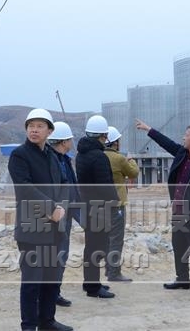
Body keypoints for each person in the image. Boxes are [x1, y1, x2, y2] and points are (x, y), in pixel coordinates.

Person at [135, 118, 190, 300]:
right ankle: (182, 279)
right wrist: (149, 129)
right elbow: (166, 143)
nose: (183, 138)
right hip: (178, 210)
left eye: (186, 135)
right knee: (179, 246)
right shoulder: (182, 153)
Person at [8, 109, 73, 331]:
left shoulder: (52, 156)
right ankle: (29, 326)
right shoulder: (19, 155)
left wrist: (61, 207)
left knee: (52, 278)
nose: (34, 130)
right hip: (32, 228)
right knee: (32, 282)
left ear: (49, 131)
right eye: (31, 126)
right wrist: (50, 208)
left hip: (55, 227)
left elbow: (64, 184)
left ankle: (47, 321)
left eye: (39, 126)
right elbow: (24, 188)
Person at [75, 115, 118, 299]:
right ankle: (93, 287)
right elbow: (105, 185)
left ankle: (90, 283)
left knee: (91, 247)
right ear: (103, 136)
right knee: (98, 248)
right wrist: (115, 203)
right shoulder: (99, 157)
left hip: (88, 205)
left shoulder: (80, 154)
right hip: (100, 208)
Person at [47, 121, 82, 308]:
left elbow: (72, 190)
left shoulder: (64, 159)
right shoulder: (52, 161)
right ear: (63, 141)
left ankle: (54, 293)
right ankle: (49, 295)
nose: (71, 142)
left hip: (65, 215)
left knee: (61, 255)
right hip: (56, 217)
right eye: (69, 139)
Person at [104, 126, 139, 282]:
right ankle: (114, 273)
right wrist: (132, 161)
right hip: (117, 202)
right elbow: (133, 173)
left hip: (101, 202)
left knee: (106, 238)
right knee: (116, 238)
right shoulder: (118, 158)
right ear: (115, 142)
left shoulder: (100, 156)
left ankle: (108, 269)